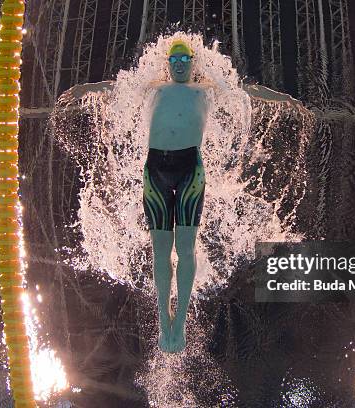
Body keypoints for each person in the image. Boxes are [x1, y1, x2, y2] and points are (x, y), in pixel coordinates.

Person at [61, 38, 302, 353]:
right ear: (167, 63)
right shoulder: (153, 87)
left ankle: (181, 320)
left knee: (185, 248)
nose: (178, 64)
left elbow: (246, 91)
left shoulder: (206, 90)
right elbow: (116, 86)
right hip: (155, 171)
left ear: (192, 62)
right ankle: (164, 317)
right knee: (161, 251)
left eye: (183, 59)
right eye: (173, 59)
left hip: (190, 171)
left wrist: (282, 97)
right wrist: (85, 90)